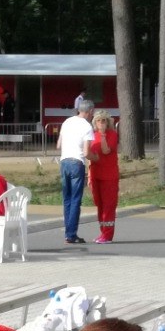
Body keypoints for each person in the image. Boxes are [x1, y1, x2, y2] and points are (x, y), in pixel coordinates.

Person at [58, 96, 94, 245]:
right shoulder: (87, 127)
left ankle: (68, 232)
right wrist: (96, 158)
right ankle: (71, 234)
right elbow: (86, 152)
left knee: (67, 199)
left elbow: (58, 145)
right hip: (77, 162)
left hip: (64, 161)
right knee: (75, 199)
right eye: (92, 112)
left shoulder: (67, 122)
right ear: (90, 111)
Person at [88, 107, 120, 243]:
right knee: (99, 204)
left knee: (108, 205)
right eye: (98, 121)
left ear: (108, 122)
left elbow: (106, 150)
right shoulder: (92, 135)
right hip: (96, 174)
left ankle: (108, 234)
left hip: (109, 176)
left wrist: (102, 135)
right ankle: (102, 232)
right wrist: (89, 175)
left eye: (104, 121)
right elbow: (89, 155)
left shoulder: (112, 134)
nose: (101, 123)